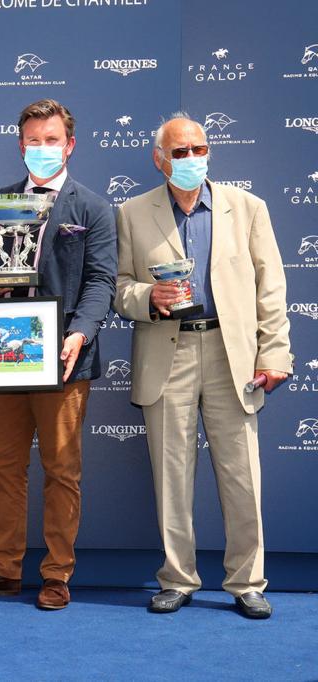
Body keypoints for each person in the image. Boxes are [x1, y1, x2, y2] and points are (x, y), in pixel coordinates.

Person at [113, 114, 292, 619]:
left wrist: (274, 352)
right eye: (180, 151)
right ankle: (177, 578)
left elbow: (271, 288)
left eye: (199, 148)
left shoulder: (248, 207)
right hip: (166, 354)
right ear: (159, 158)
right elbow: (119, 287)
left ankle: (247, 581)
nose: (191, 159)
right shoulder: (131, 212)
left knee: (243, 475)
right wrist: (151, 296)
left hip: (231, 354)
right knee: (171, 474)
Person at [0, 99, 117, 610]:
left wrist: (80, 332)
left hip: (63, 358)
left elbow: (101, 280)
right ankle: (2, 568)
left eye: (52, 139)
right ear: (20, 144)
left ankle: (57, 574)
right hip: (4, 351)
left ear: (70, 144)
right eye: (33, 140)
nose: (42, 148)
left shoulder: (93, 207)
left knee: (63, 469)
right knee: (2, 464)